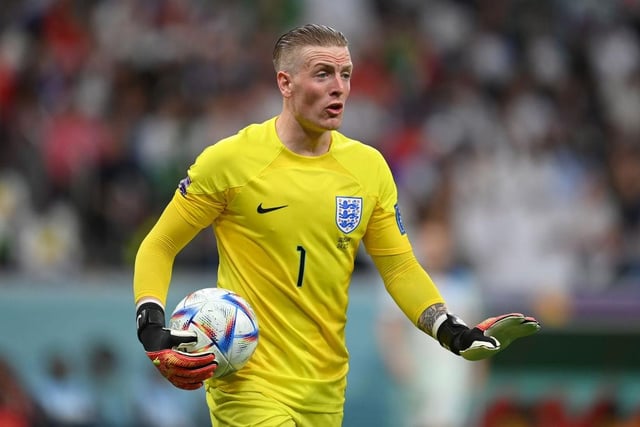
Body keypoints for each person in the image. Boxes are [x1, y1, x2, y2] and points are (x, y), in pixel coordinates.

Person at [133, 23, 540, 427]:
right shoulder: (230, 161)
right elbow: (161, 244)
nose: (339, 87)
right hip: (248, 384)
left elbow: (398, 267)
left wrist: (449, 329)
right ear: (285, 83)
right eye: (323, 73)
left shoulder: (368, 169)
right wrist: (150, 322)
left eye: (346, 74)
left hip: (326, 389)